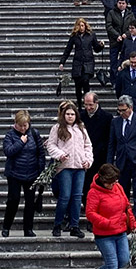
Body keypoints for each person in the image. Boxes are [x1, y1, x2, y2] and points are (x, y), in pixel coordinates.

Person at [84, 164, 136, 269]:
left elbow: (126, 206)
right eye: (111, 182)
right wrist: (106, 222)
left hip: (120, 231)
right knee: (112, 262)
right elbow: (90, 213)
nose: (114, 184)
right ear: (103, 180)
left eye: (115, 181)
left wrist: (132, 223)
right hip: (104, 234)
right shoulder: (94, 193)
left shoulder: (118, 188)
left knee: (124, 259)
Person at [44, 100, 92, 238]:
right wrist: (60, 155)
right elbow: (51, 145)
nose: (70, 116)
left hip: (79, 167)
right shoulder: (57, 128)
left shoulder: (81, 128)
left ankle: (74, 225)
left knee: (77, 197)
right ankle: (57, 224)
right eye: (68, 114)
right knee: (65, 196)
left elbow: (88, 146)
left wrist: (88, 160)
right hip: (64, 167)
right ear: (63, 115)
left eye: (72, 114)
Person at [1, 110, 45, 237]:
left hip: (31, 172)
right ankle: (6, 226)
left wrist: (41, 170)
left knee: (30, 202)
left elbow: (40, 153)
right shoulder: (10, 135)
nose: (23, 128)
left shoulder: (34, 133)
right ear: (15, 124)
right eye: (20, 125)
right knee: (13, 200)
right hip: (14, 173)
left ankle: (28, 229)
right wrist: (21, 142)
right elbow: (8, 151)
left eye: (25, 125)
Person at [110, 94, 136, 222]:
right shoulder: (115, 122)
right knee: (123, 191)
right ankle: (125, 217)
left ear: (130, 108)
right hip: (122, 161)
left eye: (124, 110)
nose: (122, 113)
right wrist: (109, 162)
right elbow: (112, 143)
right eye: (119, 110)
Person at [58, 18, 104, 103]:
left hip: (88, 62)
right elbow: (68, 49)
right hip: (77, 63)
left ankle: (87, 102)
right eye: (79, 25)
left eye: (82, 25)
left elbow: (96, 49)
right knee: (78, 85)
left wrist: (100, 46)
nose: (81, 27)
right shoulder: (74, 36)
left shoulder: (91, 35)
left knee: (86, 81)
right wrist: (62, 62)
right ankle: (79, 104)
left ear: (85, 26)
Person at [82, 90, 113, 167]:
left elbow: (109, 138)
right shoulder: (80, 116)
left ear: (96, 103)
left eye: (91, 105)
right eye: (86, 105)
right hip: (84, 156)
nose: (88, 108)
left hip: (100, 156)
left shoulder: (107, 117)